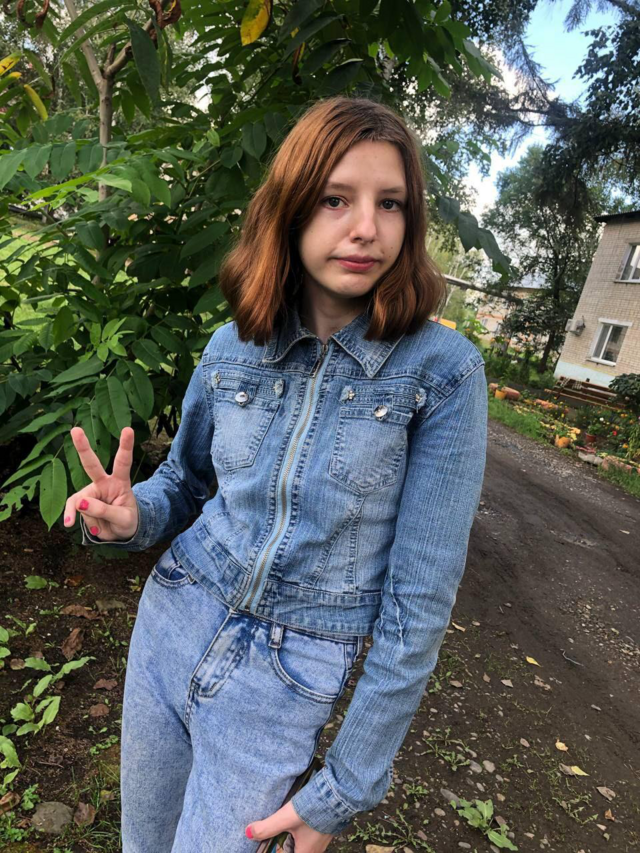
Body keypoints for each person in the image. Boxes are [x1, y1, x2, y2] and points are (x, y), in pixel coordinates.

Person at [63, 95, 488, 853]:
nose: (367, 227)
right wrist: (131, 516)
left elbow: (418, 605)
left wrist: (340, 791)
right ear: (289, 209)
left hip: (287, 683)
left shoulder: (444, 372)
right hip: (173, 619)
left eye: (390, 203)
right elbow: (185, 486)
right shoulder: (233, 345)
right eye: (336, 199)